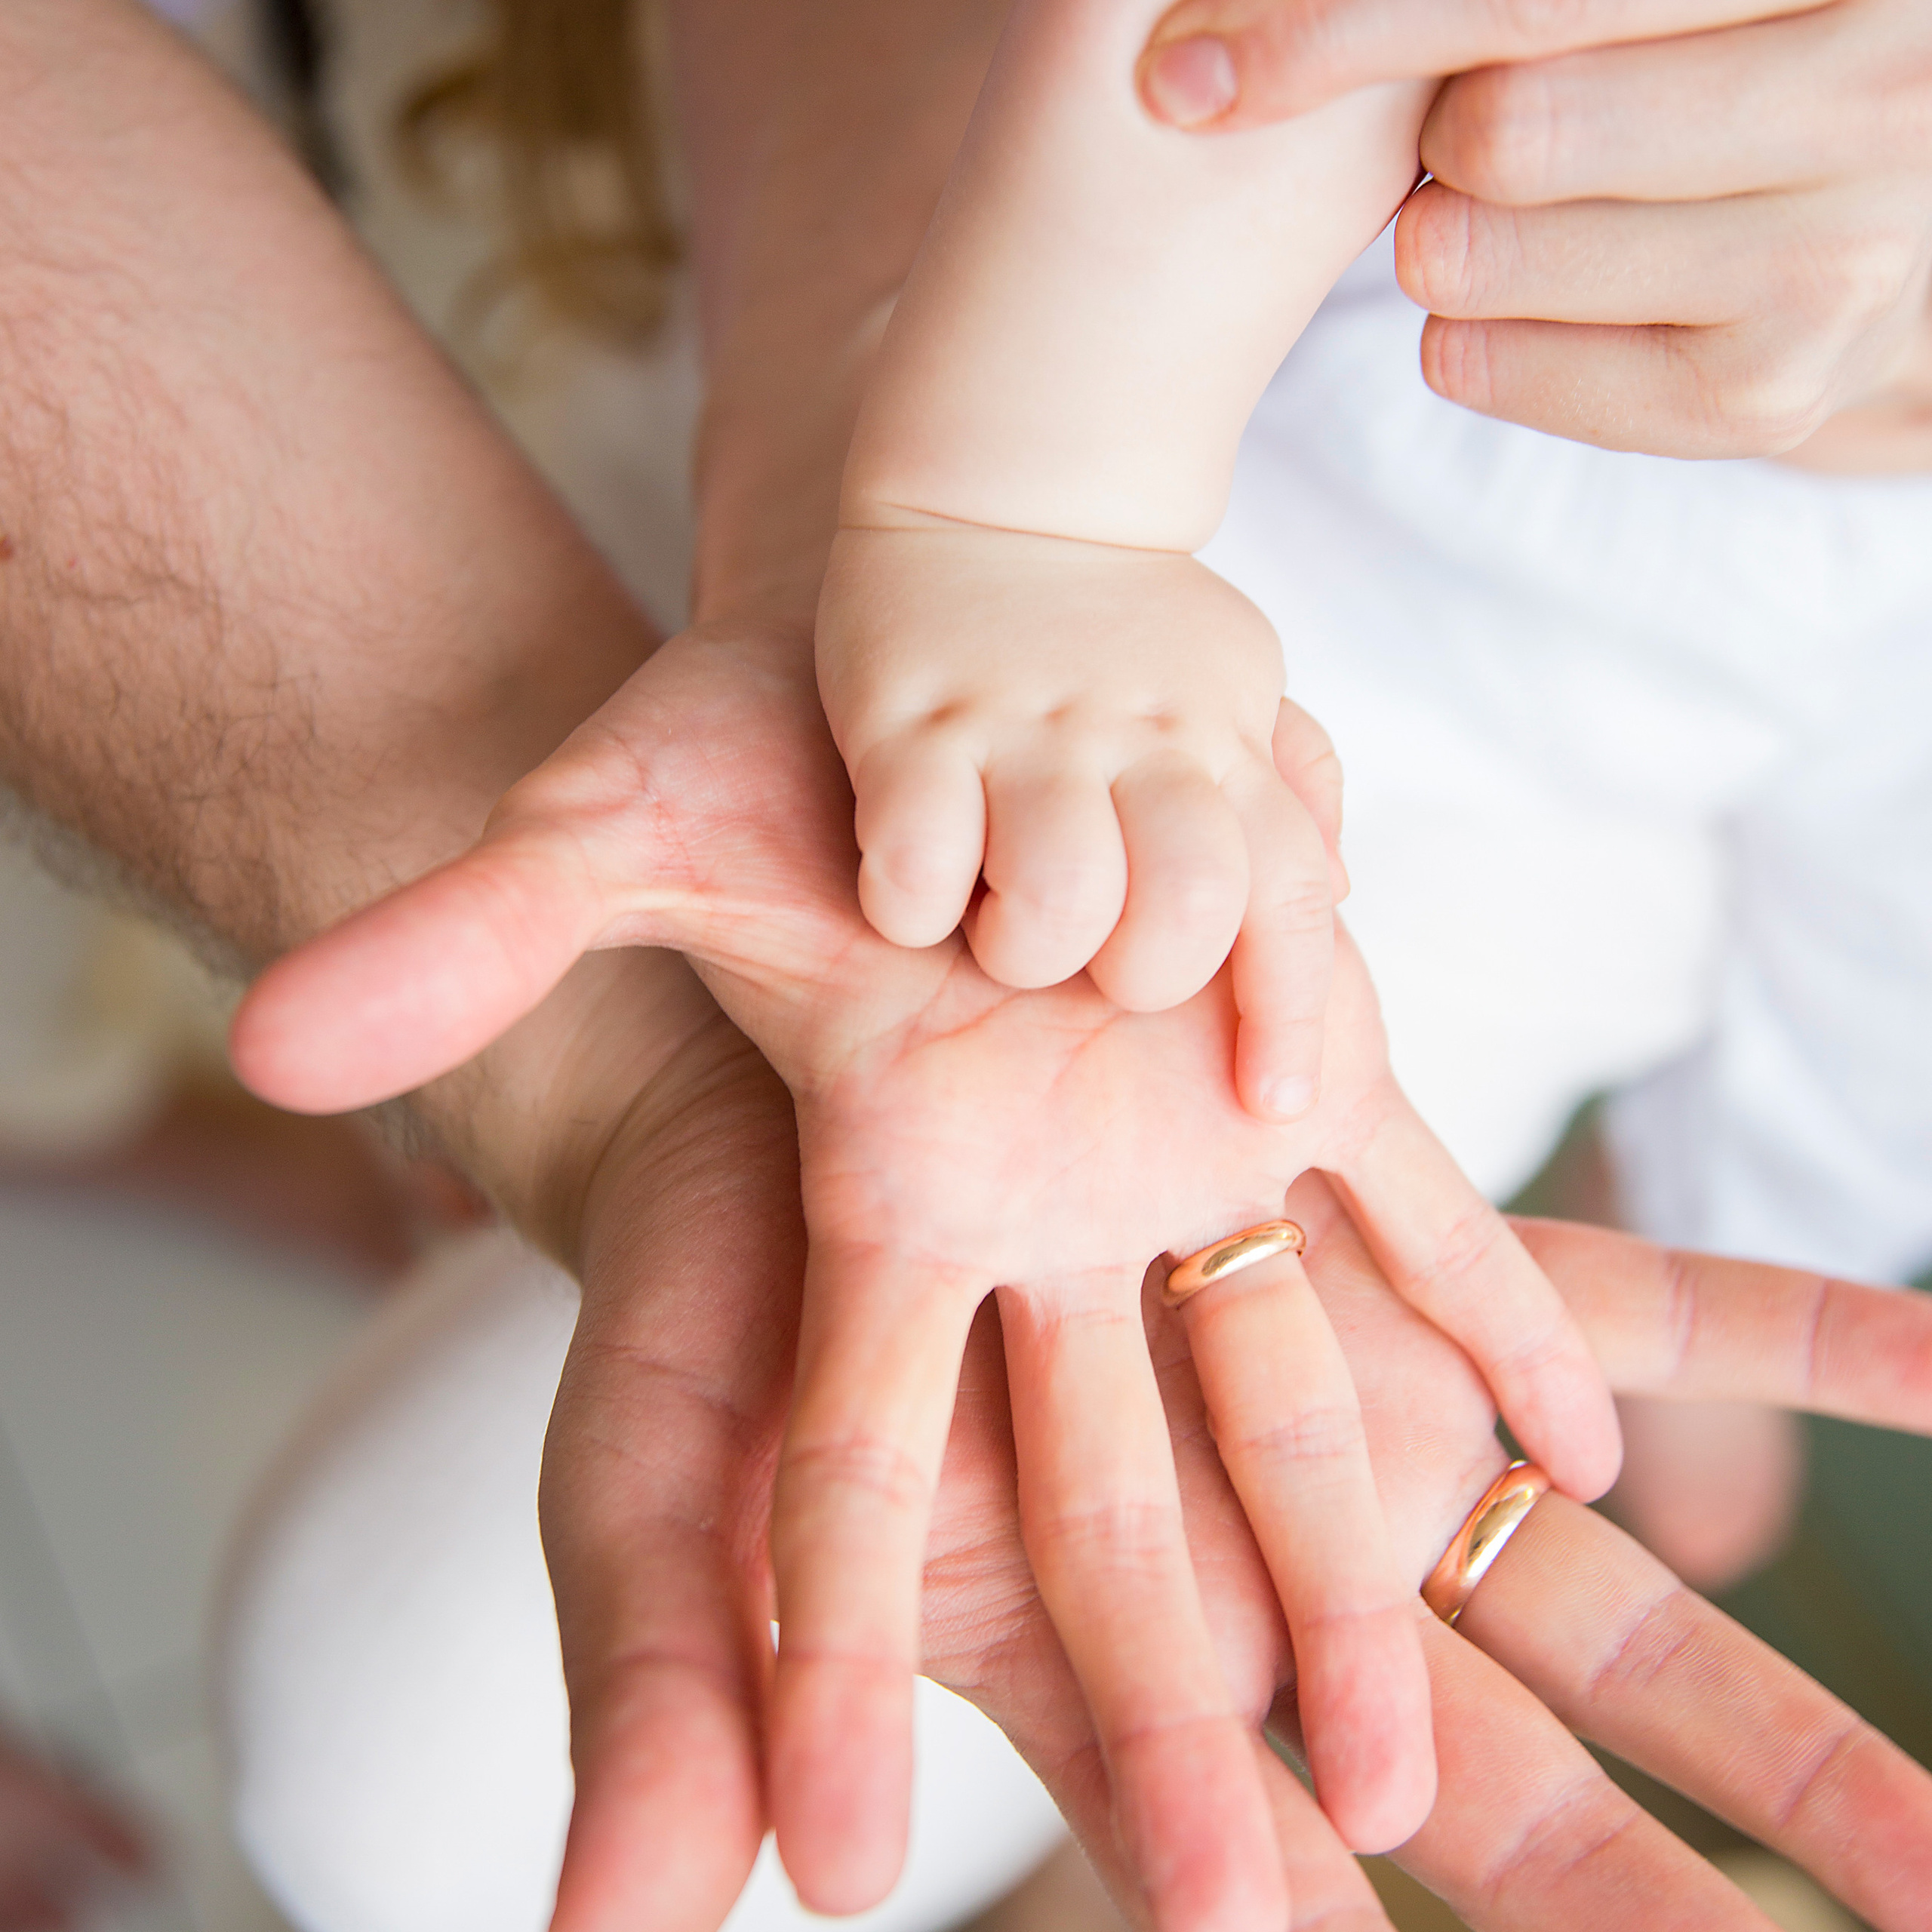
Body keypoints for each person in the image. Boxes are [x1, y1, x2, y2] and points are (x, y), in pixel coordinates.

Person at [4, 5, 1926, 1932]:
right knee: (402, 1740)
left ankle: (1711, 1234)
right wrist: (1030, 527)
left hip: (1608, 728)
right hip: (1142, 537)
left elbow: (1871, 893)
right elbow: (1220, 63)